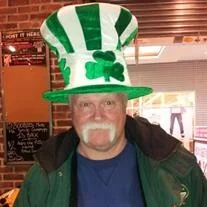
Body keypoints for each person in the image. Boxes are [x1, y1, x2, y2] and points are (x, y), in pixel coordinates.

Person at [14, 2, 207, 207]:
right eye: (86, 104)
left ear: (125, 107)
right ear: (71, 110)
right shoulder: (43, 178)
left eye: (108, 102)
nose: (98, 115)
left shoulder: (178, 168)